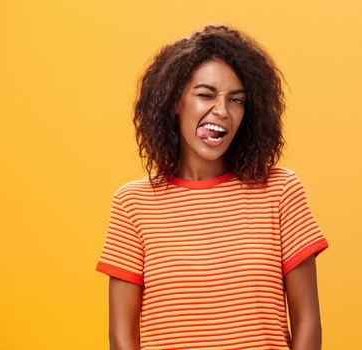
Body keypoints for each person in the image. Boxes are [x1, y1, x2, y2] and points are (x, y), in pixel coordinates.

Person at [95, 24, 329, 350]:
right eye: (205, 94)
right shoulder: (132, 203)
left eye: (236, 100)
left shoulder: (280, 191)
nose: (222, 111)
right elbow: (121, 336)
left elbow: (308, 322)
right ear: (174, 102)